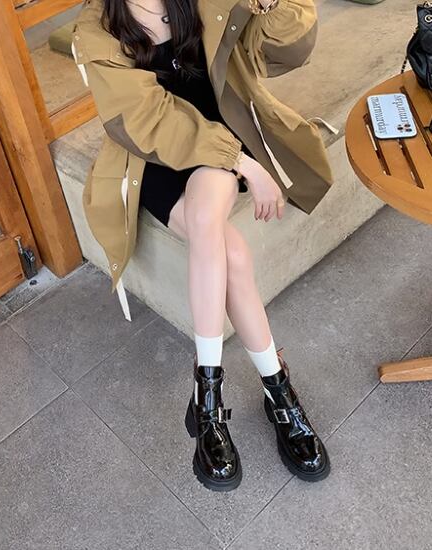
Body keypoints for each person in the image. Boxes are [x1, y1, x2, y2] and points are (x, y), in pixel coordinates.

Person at [72, 0, 333, 491]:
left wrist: (273, 5)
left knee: (213, 208)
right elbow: (147, 119)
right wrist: (245, 163)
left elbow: (285, 50)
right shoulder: (97, 27)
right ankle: (278, 392)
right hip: (153, 153)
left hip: (217, 135)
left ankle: (208, 401)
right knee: (232, 253)